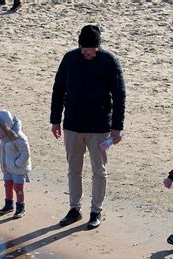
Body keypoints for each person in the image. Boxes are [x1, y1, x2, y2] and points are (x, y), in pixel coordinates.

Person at [50, 25, 126, 229]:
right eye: (83, 48)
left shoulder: (109, 61)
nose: (86, 52)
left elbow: (119, 96)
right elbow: (58, 89)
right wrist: (55, 120)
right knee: (73, 169)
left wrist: (117, 128)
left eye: (90, 49)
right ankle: (74, 209)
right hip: (72, 125)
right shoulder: (70, 58)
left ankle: (96, 211)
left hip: (99, 128)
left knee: (98, 171)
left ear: (98, 47)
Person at [0, 110, 31, 219]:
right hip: (6, 167)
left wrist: (16, 164)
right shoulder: (3, 137)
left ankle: (20, 207)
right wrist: (0, 158)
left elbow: (25, 153)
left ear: (6, 127)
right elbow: (3, 149)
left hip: (17, 168)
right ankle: (9, 204)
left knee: (18, 187)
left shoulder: (19, 137)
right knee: (7, 185)